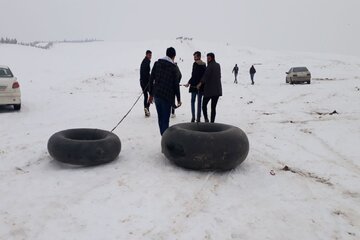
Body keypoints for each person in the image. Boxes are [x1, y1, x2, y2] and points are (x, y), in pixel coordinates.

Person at [149, 47, 182, 135]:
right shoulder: (173, 68)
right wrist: (178, 99)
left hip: (157, 95)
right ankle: (165, 140)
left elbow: (151, 79)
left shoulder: (157, 63)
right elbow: (176, 85)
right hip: (167, 97)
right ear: (174, 56)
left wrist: (151, 95)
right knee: (165, 120)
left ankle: (163, 137)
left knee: (160, 119)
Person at [197, 53, 222, 123]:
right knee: (213, 108)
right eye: (207, 58)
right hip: (217, 90)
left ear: (212, 58)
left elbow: (206, 76)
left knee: (204, 105)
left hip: (209, 91)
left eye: (209, 58)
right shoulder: (218, 65)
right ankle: (212, 122)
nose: (207, 60)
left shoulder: (210, 66)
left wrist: (200, 83)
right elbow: (219, 76)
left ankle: (206, 119)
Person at [185, 51, 206, 122]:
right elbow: (194, 75)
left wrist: (199, 83)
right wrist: (188, 82)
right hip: (196, 85)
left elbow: (201, 76)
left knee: (197, 102)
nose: (194, 58)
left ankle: (196, 117)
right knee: (195, 101)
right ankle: (195, 117)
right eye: (194, 57)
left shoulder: (200, 65)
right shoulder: (198, 64)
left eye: (195, 57)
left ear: (199, 57)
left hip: (198, 86)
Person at [140, 50, 152, 117]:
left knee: (146, 96)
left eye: (151, 55)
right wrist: (150, 79)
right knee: (151, 95)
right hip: (145, 82)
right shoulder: (146, 62)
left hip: (142, 82)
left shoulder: (145, 61)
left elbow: (146, 73)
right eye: (149, 55)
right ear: (146, 55)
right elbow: (146, 73)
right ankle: (147, 108)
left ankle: (146, 110)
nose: (150, 57)